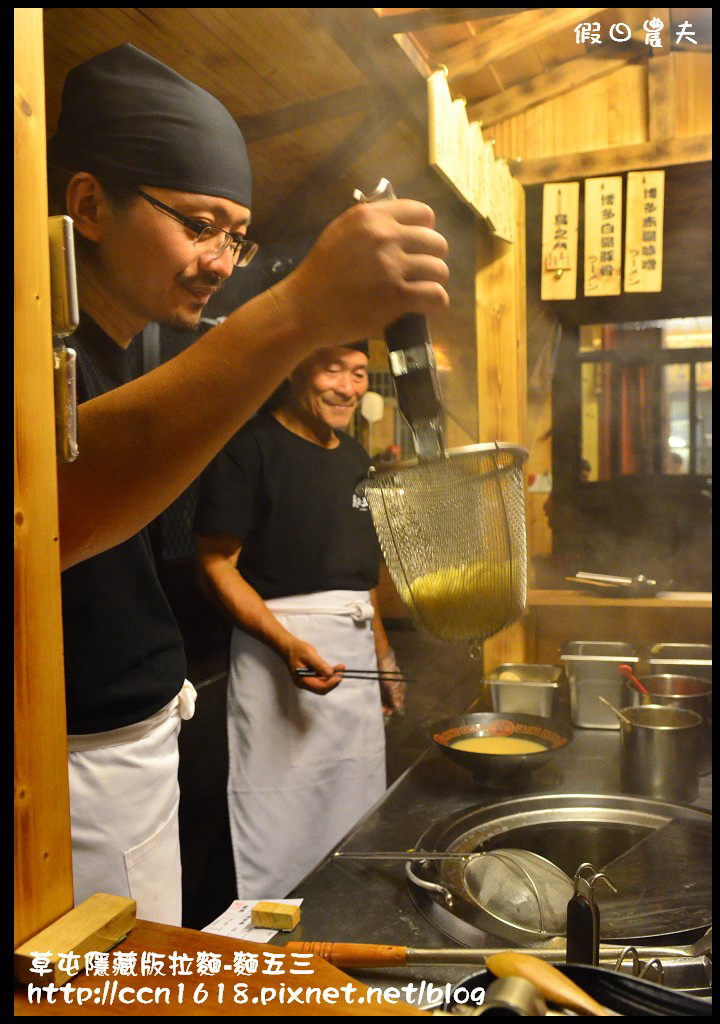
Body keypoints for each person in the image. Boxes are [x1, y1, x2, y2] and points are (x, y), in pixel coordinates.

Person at [47, 43, 449, 923]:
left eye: (236, 234)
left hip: (142, 742)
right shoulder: (42, 351)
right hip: (67, 767)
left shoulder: (128, 356)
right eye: (198, 225)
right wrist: (301, 307)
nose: (223, 261)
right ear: (89, 205)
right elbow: (52, 503)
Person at [194, 343, 405, 896]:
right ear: (292, 368)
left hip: (351, 656)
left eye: (358, 373)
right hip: (276, 654)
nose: (347, 387)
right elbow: (216, 566)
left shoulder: (358, 458)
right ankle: (273, 942)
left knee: (355, 799)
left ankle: (345, 920)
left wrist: (383, 657)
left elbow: (363, 581)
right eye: (331, 369)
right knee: (280, 806)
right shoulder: (250, 448)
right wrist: (286, 644)